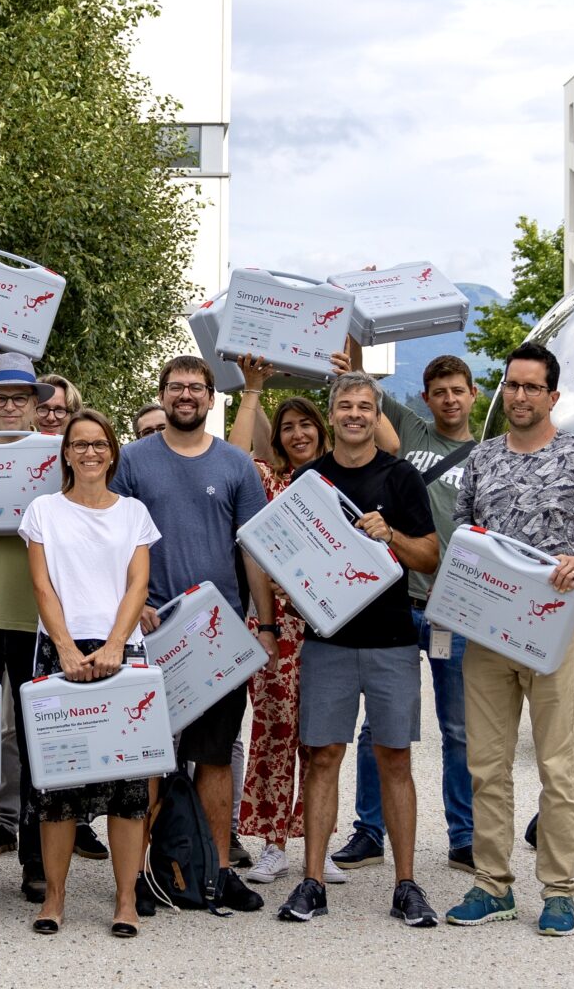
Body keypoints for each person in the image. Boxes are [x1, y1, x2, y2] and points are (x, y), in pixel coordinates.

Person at [442, 343, 574, 938]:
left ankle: (557, 890)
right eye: (513, 386)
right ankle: (492, 885)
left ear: (553, 395)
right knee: (487, 764)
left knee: (556, 764)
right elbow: (466, 536)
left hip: (554, 627)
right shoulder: (483, 459)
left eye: (533, 387)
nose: (520, 396)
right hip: (490, 632)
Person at [273, 372, 443, 928]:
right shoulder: (309, 480)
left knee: (394, 759)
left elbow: (429, 558)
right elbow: (290, 557)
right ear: (333, 414)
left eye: (364, 406)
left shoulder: (401, 479)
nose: (354, 414)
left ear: (376, 414)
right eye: (344, 405)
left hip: (392, 640)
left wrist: (389, 535)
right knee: (323, 757)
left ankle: (406, 885)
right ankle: (312, 881)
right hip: (328, 641)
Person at [111, 354, 272, 911]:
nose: (186, 395)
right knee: (147, 757)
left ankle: (216, 869)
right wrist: (128, 611)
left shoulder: (235, 465)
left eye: (196, 388)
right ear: (163, 394)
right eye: (176, 387)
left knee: (214, 757)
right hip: (149, 632)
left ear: (210, 398)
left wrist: (267, 624)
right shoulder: (131, 461)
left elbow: (254, 549)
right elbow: (114, 541)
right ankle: (140, 875)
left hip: (216, 635)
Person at [19, 409, 157, 938]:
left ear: (112, 452)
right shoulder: (43, 512)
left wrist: (117, 644)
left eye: (99, 444)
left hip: (122, 654)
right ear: (66, 453)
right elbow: (43, 586)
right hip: (62, 654)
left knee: (128, 790)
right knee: (58, 787)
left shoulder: (134, 514)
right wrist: (67, 649)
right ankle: (54, 900)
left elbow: (137, 585)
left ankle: (124, 901)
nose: (90, 452)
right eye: (80, 444)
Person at [345, 354, 484, 874]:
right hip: (400, 602)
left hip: (457, 609)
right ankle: (368, 830)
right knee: (376, 728)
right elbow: (361, 391)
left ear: (473, 394)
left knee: (460, 729)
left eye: (458, 390)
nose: (450, 399)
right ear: (425, 398)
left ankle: (463, 836)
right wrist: (353, 349)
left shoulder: (488, 456)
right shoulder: (409, 431)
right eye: (439, 391)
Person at [224, 363, 328, 886]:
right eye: (287, 427)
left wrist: (352, 369)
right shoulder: (266, 482)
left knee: (322, 737)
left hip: (331, 627)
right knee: (272, 733)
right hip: (274, 623)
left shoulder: (339, 480)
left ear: (321, 430)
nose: (298, 433)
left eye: (306, 424)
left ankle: (316, 837)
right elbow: (237, 453)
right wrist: (254, 389)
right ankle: (272, 842)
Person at [0, 348, 57, 895]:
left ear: (33, 406)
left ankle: (35, 861)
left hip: (34, 614)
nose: (8, 407)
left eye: (19, 399)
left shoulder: (54, 458)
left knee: (35, 739)